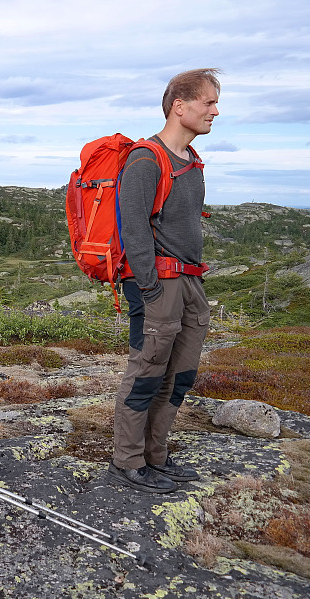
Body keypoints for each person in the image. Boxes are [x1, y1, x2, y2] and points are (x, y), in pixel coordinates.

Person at [107, 68, 220, 493]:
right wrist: (152, 288)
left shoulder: (192, 161)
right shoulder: (144, 159)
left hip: (190, 284)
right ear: (180, 106)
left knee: (180, 374)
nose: (215, 111)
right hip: (157, 284)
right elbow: (133, 227)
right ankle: (127, 460)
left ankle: (156, 455)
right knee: (147, 372)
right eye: (208, 102)